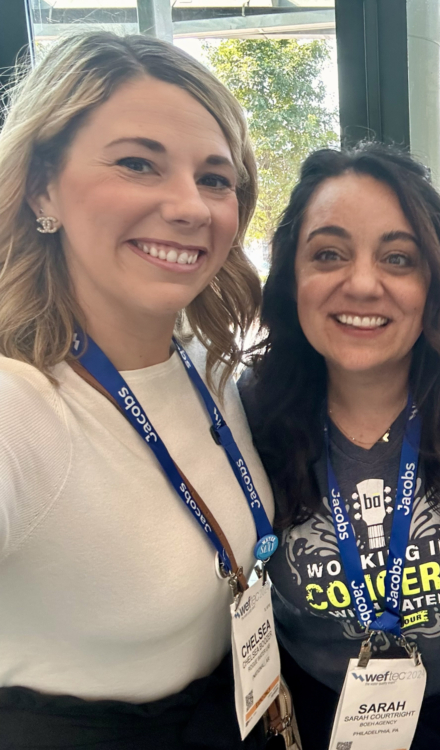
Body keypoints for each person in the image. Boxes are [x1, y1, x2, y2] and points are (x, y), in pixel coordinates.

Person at [0, 33, 276, 748]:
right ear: (41, 187)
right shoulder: (18, 405)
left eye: (214, 178)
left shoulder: (207, 365)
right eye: (136, 163)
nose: (189, 207)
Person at [240, 144, 440, 750]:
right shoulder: (249, 409)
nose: (362, 284)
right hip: (323, 716)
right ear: (292, 275)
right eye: (328, 254)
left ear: (436, 280)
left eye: (398, 258)